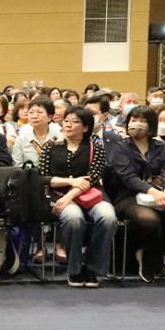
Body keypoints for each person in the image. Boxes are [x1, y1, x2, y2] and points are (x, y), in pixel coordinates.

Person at [109, 107, 165, 282]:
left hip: (160, 192)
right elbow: (127, 176)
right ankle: (152, 257)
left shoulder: (161, 146)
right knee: (150, 220)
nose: (137, 124)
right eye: (133, 120)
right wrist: (152, 191)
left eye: (143, 120)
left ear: (151, 125)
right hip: (129, 195)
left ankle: (151, 254)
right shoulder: (120, 146)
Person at [39, 107, 117, 287]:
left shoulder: (95, 147)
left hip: (91, 194)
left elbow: (93, 177)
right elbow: (42, 177)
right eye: (66, 121)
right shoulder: (51, 145)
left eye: (75, 122)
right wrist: (70, 182)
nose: (68, 125)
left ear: (85, 127)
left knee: (108, 218)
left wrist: (71, 194)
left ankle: (91, 267)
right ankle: (75, 269)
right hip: (58, 193)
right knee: (74, 218)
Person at [11, 96, 61, 166]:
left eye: (39, 112)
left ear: (50, 117)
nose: (34, 116)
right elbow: (17, 165)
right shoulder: (21, 140)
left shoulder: (59, 139)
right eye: (31, 112)